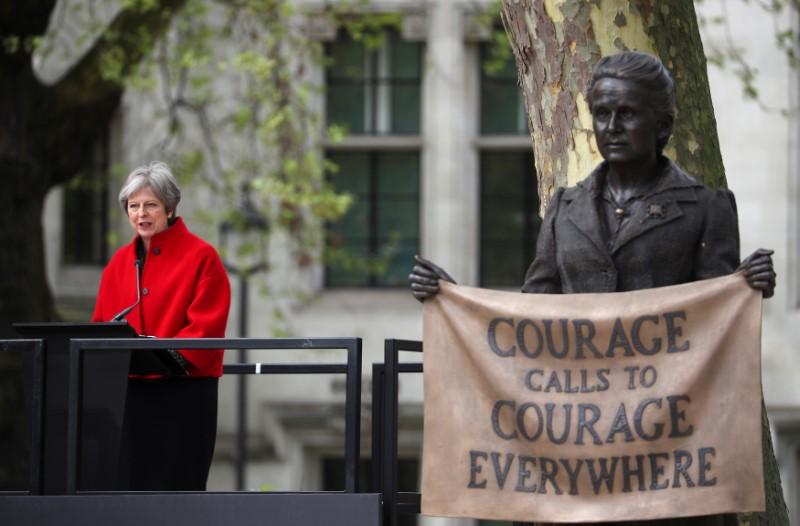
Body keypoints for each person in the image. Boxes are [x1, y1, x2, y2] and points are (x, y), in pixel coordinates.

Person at [410, 52, 774, 525]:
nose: (613, 126)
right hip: (576, 465)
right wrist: (460, 309)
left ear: (661, 125)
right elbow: (532, 320)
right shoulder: (566, 209)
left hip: (668, 466)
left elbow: (715, 332)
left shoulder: (706, 208)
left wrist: (744, 287)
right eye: (602, 114)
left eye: (628, 114)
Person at [92, 161, 231, 490]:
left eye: (151, 205)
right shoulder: (117, 264)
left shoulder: (202, 257)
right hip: (128, 399)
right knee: (127, 494)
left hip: (182, 397)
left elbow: (205, 328)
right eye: (134, 206)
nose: (141, 214)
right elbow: (98, 327)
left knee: (175, 493)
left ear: (169, 208)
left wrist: (159, 354)